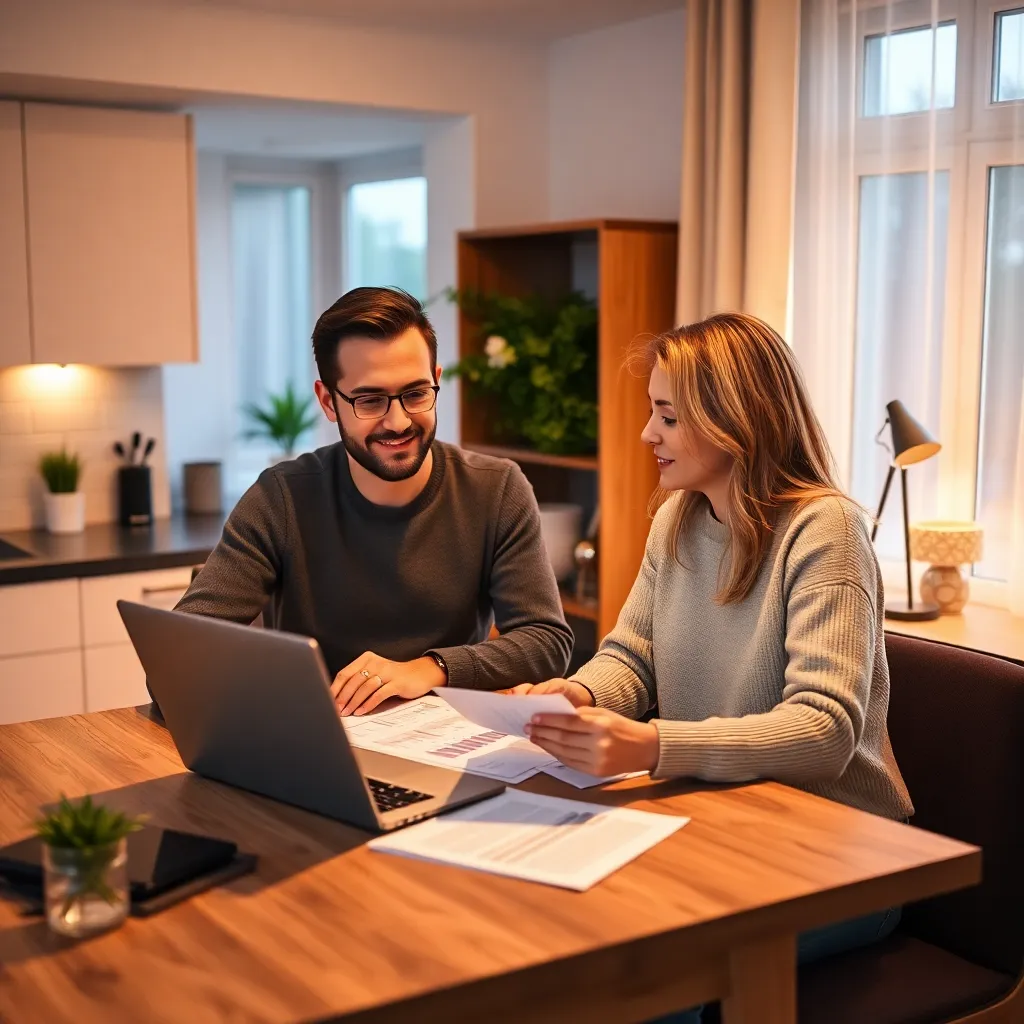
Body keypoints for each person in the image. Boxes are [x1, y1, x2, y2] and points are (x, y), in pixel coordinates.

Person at [514, 312, 913, 1017]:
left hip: (847, 859)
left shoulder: (827, 530)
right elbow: (633, 658)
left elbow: (824, 730)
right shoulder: (679, 517)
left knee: (645, 980)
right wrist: (575, 694)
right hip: (728, 824)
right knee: (562, 941)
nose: (647, 435)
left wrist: (656, 744)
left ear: (734, 419)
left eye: (667, 416)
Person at [173, 286, 572, 716]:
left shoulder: (496, 489)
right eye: (370, 400)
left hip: (448, 740)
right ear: (328, 401)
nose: (398, 421)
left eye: (416, 394)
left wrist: (431, 667)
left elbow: (546, 641)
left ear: (436, 378)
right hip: (321, 741)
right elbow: (178, 664)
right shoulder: (281, 498)